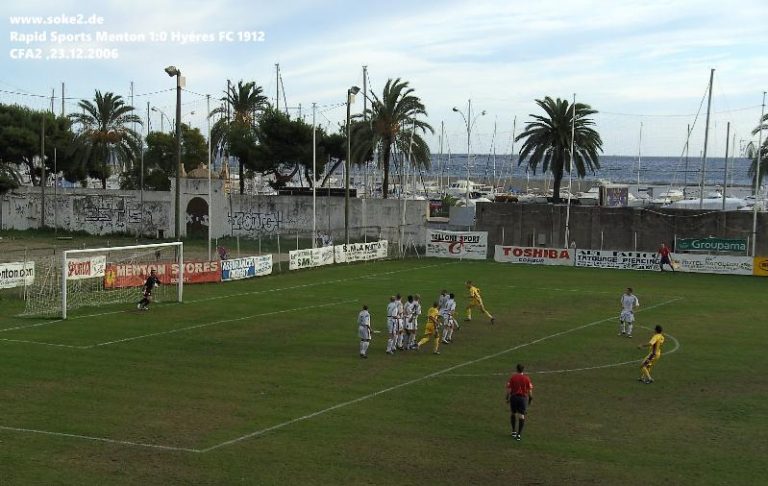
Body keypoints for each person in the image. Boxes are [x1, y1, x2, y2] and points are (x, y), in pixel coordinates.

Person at [505, 364, 534, 441]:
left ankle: (513, 431)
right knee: (521, 415)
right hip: (522, 398)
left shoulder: (513, 377)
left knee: (513, 413)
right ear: (523, 370)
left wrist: (507, 398)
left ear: (516, 369)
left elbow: (509, 389)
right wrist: (530, 399)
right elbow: (530, 390)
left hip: (514, 397)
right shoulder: (527, 378)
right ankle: (519, 435)